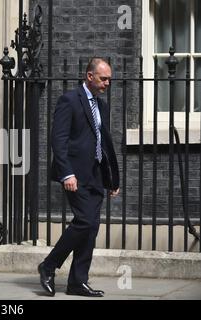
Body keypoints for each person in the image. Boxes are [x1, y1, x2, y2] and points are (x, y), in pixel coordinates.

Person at [38, 58, 120, 297]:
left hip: (95, 174)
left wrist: (112, 178)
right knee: (84, 221)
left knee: (91, 227)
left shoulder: (102, 106)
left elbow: (105, 143)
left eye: (109, 79)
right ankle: (49, 265)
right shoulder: (69, 100)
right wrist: (66, 173)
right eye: (103, 78)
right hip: (75, 174)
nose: (107, 83)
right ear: (89, 76)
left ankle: (77, 281)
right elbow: (58, 140)